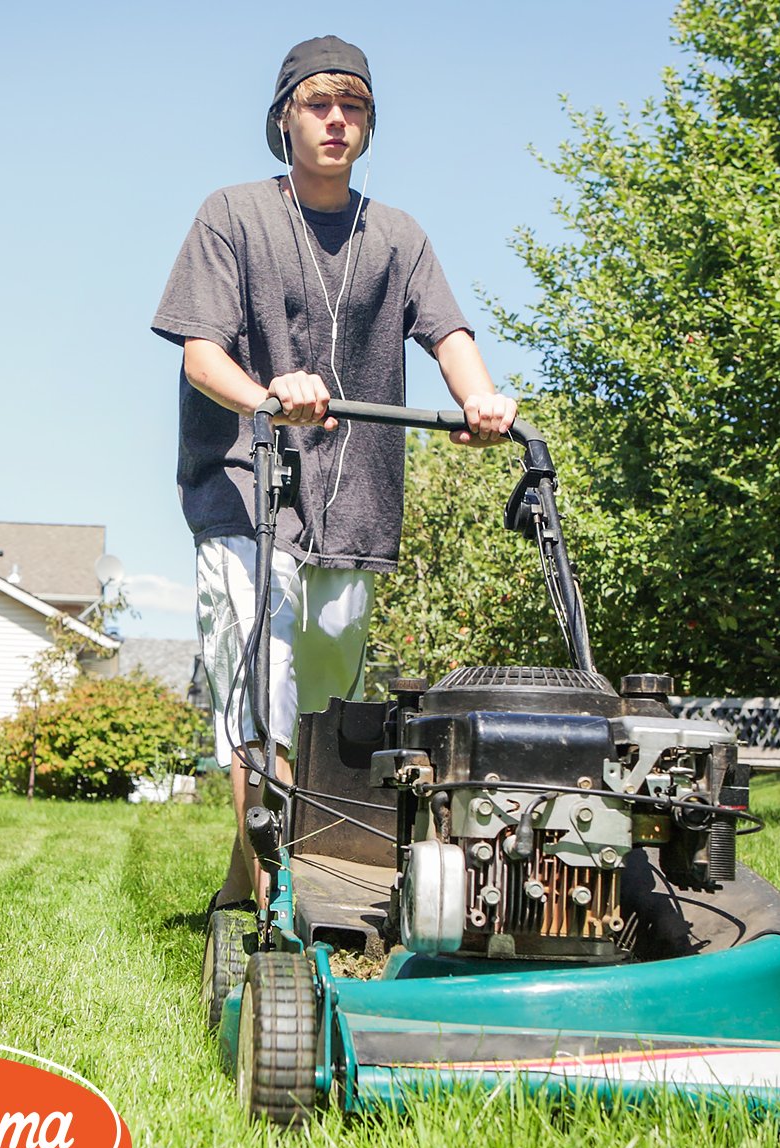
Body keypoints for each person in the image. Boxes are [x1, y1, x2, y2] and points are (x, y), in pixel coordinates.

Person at [152, 36, 517, 912]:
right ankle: (276, 898)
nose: (336, 119)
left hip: (353, 504)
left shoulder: (396, 235)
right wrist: (267, 395)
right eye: (318, 103)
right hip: (244, 490)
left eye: (352, 105)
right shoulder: (232, 215)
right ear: (283, 118)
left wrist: (481, 400)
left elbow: (447, 334)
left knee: (323, 714)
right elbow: (203, 356)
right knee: (260, 695)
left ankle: (253, 881)